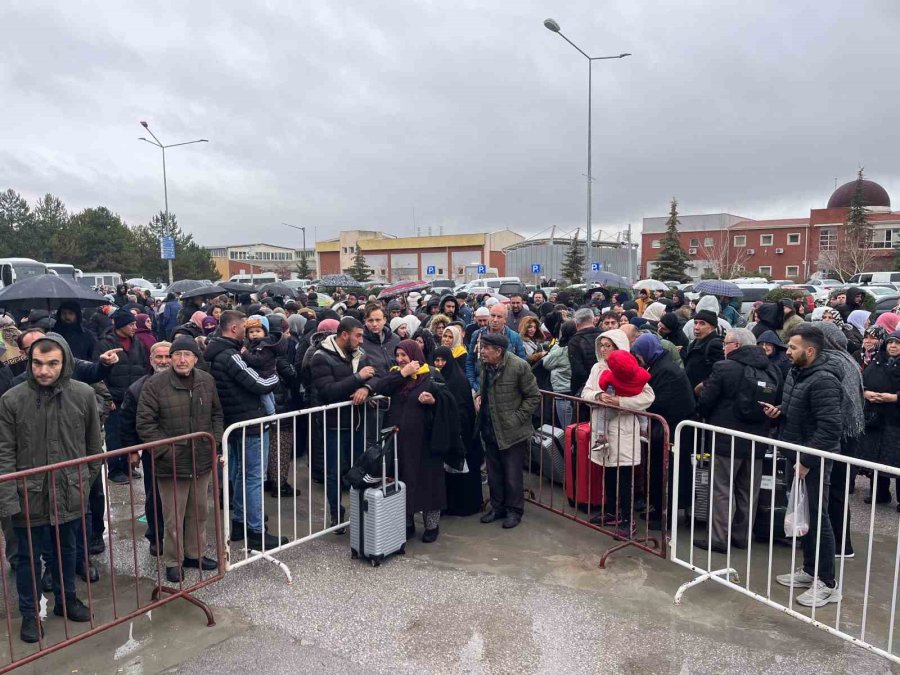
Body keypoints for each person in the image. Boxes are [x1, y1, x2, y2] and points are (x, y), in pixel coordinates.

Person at [0, 334, 101, 642]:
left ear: (65, 362)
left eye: (52, 363)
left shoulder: (83, 394)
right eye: (38, 363)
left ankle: (67, 599)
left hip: (69, 491)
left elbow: (94, 447)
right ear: (30, 362)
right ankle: (30, 614)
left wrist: (83, 484)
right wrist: (7, 499)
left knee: (66, 551)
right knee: (27, 559)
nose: (44, 370)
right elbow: (4, 452)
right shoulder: (12, 400)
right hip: (27, 497)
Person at [763, 324, 843, 608]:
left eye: (793, 347)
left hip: (813, 459)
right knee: (805, 516)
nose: (788, 352)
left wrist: (807, 461)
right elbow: (803, 410)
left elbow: (830, 427)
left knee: (818, 519)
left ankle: (828, 583)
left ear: (810, 351)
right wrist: (780, 413)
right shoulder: (799, 373)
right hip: (796, 453)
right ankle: (810, 570)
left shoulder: (823, 379)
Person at [136, 337, 223, 582]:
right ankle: (174, 560)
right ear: (171, 357)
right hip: (171, 463)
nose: (182, 359)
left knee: (199, 511)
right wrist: (168, 451)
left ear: (196, 358)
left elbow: (216, 413)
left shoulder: (207, 380)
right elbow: (145, 424)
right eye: (177, 354)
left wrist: (213, 442)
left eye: (187, 354)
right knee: (173, 515)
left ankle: (195, 554)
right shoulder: (155, 384)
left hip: (202, 459)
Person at [693, 328, 782, 553]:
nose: (724, 347)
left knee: (721, 489)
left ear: (737, 345)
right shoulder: (772, 369)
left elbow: (706, 400)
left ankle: (718, 539)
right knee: (748, 491)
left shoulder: (724, 368)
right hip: (757, 440)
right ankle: (742, 537)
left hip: (726, 439)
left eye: (726, 343)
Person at [205, 310, 283, 550]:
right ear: (234, 328)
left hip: (236, 422)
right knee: (253, 478)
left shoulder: (217, 352)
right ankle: (256, 530)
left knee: (240, 475)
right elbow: (260, 383)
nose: (247, 331)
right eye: (244, 326)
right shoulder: (230, 355)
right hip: (249, 423)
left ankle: (239, 522)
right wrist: (275, 376)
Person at [375, 340, 450, 541]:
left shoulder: (431, 374)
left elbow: (448, 400)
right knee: (403, 480)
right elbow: (380, 387)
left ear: (415, 355)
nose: (399, 359)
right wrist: (402, 373)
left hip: (425, 443)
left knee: (428, 483)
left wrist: (433, 401)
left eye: (404, 356)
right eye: (397, 355)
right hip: (400, 442)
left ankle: (431, 527)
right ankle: (407, 524)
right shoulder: (397, 374)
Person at [308, 317, 374, 527]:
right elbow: (328, 391)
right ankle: (336, 513)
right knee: (334, 473)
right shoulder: (321, 357)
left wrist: (366, 388)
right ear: (344, 334)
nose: (361, 340)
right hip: (333, 426)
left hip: (357, 423)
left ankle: (359, 513)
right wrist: (358, 379)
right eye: (358, 335)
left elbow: (375, 375)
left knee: (359, 470)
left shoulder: (359, 355)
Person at [582, 350, 655, 538]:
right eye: (602, 345)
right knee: (609, 472)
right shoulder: (598, 368)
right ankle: (612, 512)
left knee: (625, 476)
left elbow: (647, 397)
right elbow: (586, 393)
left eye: (610, 345)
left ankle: (627, 520)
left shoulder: (632, 368)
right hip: (604, 427)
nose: (605, 349)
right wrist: (599, 396)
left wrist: (619, 401)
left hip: (625, 430)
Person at [630, 333, 696, 530]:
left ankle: (666, 515)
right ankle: (658, 509)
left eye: (638, 354)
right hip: (667, 428)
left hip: (674, 429)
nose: (638, 359)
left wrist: (639, 403)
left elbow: (660, 402)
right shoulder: (660, 365)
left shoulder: (666, 370)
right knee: (659, 470)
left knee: (668, 473)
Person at [475, 333, 541, 529]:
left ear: (498, 351)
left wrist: (516, 419)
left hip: (512, 431)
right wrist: (479, 395)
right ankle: (497, 507)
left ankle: (514, 511)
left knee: (512, 474)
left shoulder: (519, 366)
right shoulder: (486, 365)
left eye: (486, 348)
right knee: (494, 473)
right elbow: (485, 388)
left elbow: (533, 396)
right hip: (490, 427)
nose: (482, 351)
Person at [120, 341, 171, 557]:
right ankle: (156, 536)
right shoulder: (137, 388)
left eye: (167, 356)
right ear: (150, 360)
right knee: (155, 495)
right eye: (158, 357)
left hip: (183, 450)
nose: (163, 361)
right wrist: (132, 450)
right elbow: (127, 422)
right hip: (153, 451)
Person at [433, 345, 483, 517]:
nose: (439, 364)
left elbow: (463, 409)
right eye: (436, 360)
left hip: (462, 433)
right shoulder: (438, 378)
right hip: (450, 432)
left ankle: (466, 506)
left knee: (464, 471)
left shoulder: (458, 380)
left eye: (443, 360)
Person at [860, 330, 900, 507]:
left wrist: (894, 398)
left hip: (896, 419)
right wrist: (866, 393)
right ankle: (880, 493)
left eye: (897, 343)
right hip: (877, 417)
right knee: (877, 456)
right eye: (890, 342)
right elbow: (863, 381)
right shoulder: (877, 361)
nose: (893, 346)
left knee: (897, 458)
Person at [465, 303, 526, 392]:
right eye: (493, 315)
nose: (495, 320)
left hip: (505, 389)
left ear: (505, 319)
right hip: (480, 387)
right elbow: (470, 361)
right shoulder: (477, 334)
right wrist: (474, 385)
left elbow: (522, 364)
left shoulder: (514, 337)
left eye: (499, 317)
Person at [542, 320, 576, 429]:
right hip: (575, 391)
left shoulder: (561, 350)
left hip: (563, 393)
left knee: (567, 428)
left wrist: (554, 348)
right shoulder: (579, 346)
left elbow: (546, 363)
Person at [241, 315, 278, 417]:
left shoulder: (264, 345)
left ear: (264, 332)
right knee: (268, 393)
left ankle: (272, 414)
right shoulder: (255, 344)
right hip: (265, 372)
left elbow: (257, 360)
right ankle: (274, 408)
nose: (254, 334)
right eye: (251, 332)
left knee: (264, 394)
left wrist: (245, 354)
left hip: (264, 374)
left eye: (258, 331)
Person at [682, 309, 724, 394]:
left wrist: (704, 385)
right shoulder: (695, 342)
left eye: (702, 323)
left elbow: (720, 373)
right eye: (695, 322)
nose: (696, 327)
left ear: (712, 327)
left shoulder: (715, 344)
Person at [568, 308, 602, 396]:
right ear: (593, 319)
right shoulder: (604, 335)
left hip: (585, 388)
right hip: (604, 383)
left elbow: (577, 370)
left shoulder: (575, 341)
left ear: (576, 323)